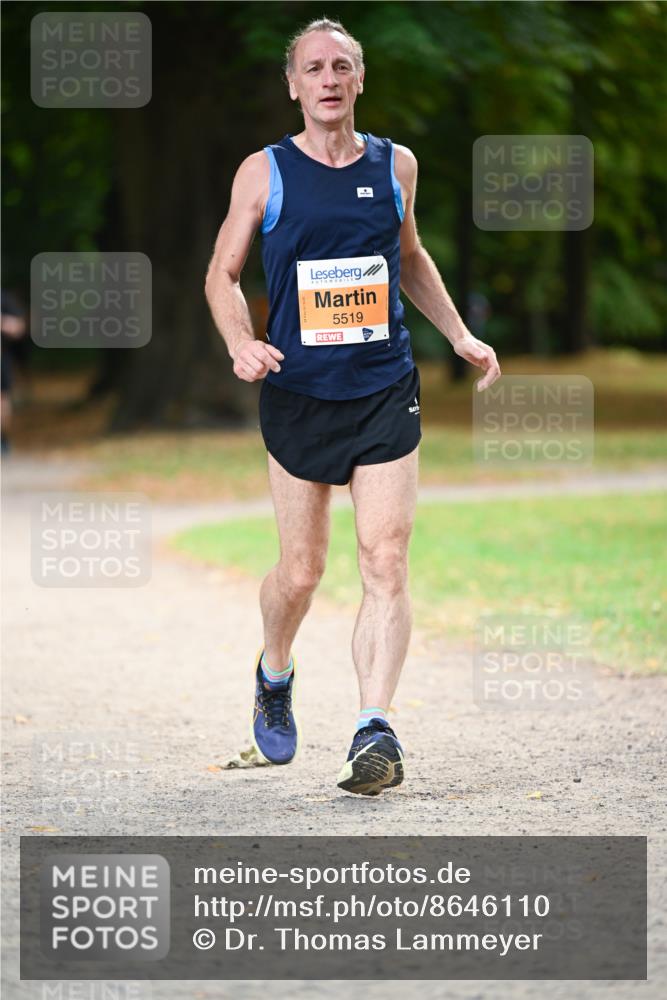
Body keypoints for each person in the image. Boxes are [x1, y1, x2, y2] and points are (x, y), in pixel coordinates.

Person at [205, 18, 501, 796]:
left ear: (359, 79)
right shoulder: (263, 173)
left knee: (385, 558)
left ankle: (375, 727)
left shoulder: (394, 165)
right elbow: (221, 275)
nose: (328, 79)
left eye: (342, 66)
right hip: (299, 395)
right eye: (313, 68)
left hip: (383, 386)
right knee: (301, 573)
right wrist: (241, 341)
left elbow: (407, 255)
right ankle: (275, 672)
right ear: (294, 85)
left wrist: (460, 335)